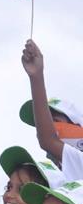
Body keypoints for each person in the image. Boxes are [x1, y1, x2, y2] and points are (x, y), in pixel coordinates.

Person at [21, 39, 83, 180]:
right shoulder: (52, 183)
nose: (45, 127)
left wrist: (36, 76)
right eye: (40, 124)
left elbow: (47, 139)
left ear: (78, 126)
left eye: (53, 120)